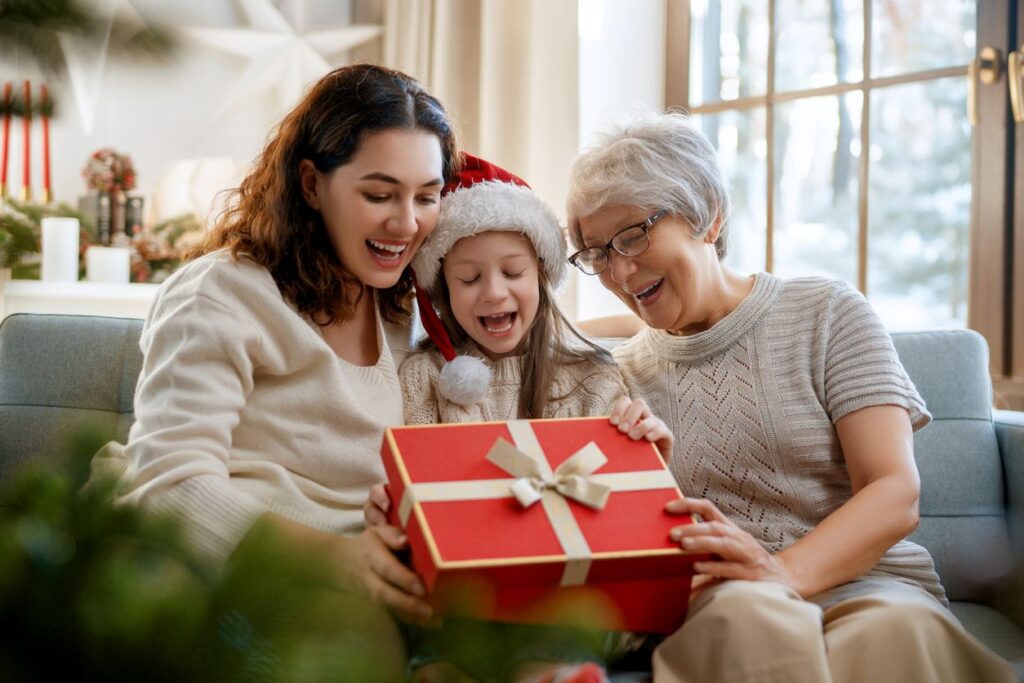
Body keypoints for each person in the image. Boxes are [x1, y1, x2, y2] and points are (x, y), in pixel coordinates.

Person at [564, 111, 1016, 683]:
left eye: (634, 234)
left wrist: (780, 569)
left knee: (891, 630)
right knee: (745, 618)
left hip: (868, 583)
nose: (621, 271)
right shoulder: (617, 378)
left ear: (707, 215)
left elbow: (894, 490)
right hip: (722, 600)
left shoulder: (826, 314)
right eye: (599, 253)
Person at [113, 64, 458, 645]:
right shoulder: (222, 294)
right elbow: (168, 484)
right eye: (379, 194)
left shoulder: (405, 308)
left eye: (428, 196)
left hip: (377, 566)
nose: (407, 222)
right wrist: (339, 560)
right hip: (240, 563)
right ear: (310, 184)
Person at [365, 154, 672, 683]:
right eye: (469, 278)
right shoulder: (423, 379)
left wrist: (644, 452)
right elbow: (413, 492)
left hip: (567, 602)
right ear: (441, 292)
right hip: (459, 604)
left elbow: (628, 512)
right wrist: (388, 504)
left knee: (550, 649)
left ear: (543, 277)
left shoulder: (591, 377)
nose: (493, 292)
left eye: (512, 272)